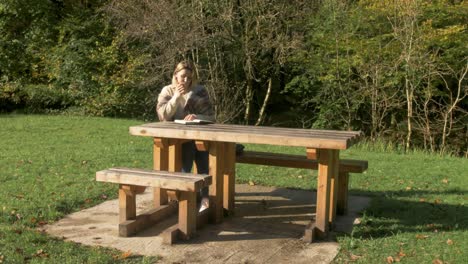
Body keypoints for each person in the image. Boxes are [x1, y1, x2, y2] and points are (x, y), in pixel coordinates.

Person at [156, 61, 214, 212]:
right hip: (177, 138)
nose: (186, 81)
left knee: (203, 160)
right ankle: (184, 199)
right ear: (175, 75)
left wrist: (196, 116)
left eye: (189, 78)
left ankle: (205, 198)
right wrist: (176, 96)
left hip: (199, 135)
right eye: (182, 77)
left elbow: (211, 116)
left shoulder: (199, 91)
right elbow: (163, 116)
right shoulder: (167, 91)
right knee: (185, 160)